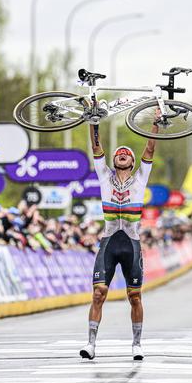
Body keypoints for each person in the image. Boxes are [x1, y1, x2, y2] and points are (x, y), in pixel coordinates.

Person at [80, 114, 159, 361]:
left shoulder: (140, 178)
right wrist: (94, 122)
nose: (122, 153)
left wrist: (156, 122)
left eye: (126, 153)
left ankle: (137, 344)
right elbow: (96, 147)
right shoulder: (104, 176)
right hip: (109, 241)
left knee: (134, 295)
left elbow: (150, 146)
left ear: (133, 161)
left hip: (132, 243)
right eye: (118, 153)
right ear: (114, 161)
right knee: (98, 293)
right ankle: (91, 344)